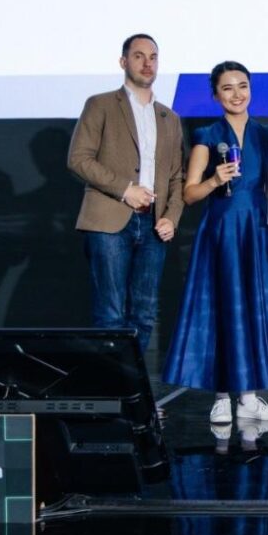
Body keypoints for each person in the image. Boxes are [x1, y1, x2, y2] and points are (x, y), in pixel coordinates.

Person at [163, 61, 268, 423]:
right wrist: (214, 180)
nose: (237, 94)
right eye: (227, 88)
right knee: (224, 309)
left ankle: (250, 399)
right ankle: (222, 397)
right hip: (223, 232)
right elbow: (189, 193)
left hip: (259, 231)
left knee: (253, 311)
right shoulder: (208, 134)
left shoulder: (266, 134)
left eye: (243, 86)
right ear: (215, 95)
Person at [67, 33, 184, 352]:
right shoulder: (101, 104)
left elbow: (177, 176)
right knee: (110, 315)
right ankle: (111, 383)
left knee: (144, 315)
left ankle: (132, 384)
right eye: (138, 56)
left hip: (154, 226)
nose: (147, 63)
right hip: (109, 221)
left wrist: (171, 218)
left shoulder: (170, 118)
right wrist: (125, 190)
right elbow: (78, 159)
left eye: (153, 57)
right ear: (123, 61)